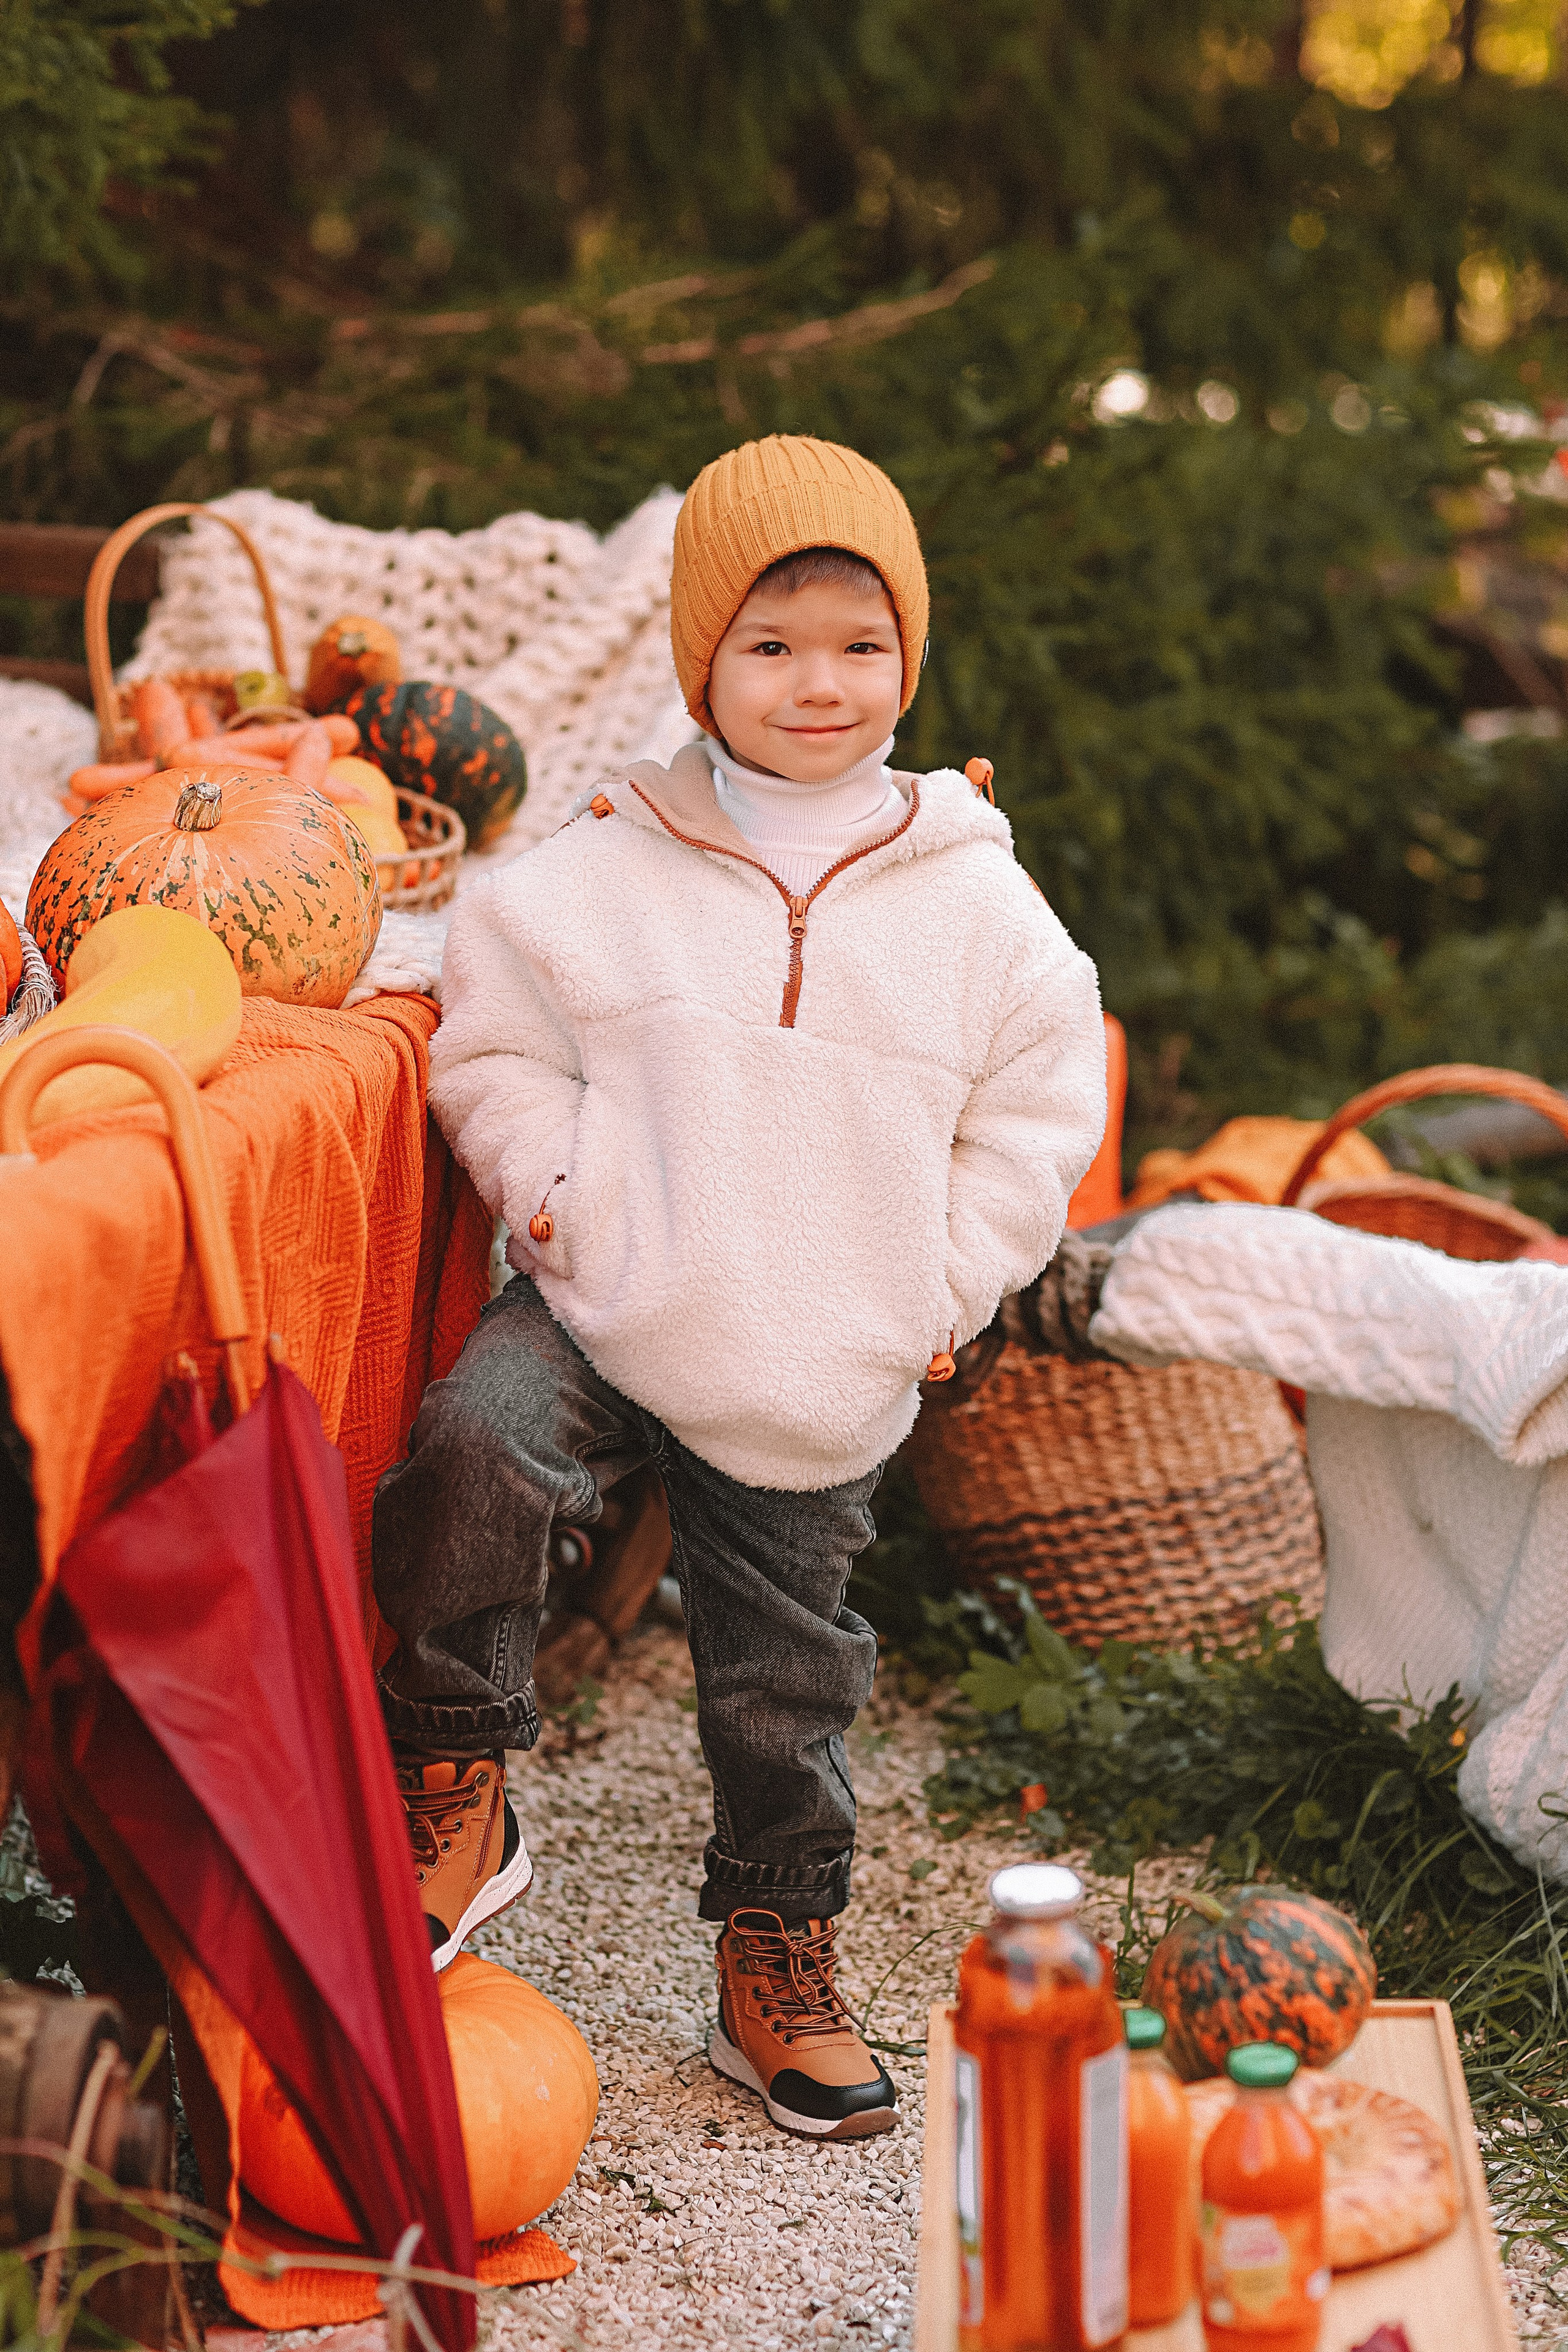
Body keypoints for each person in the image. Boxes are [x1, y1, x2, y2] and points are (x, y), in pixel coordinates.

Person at [372, 434, 1106, 2141]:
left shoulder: (978, 904)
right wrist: (558, 1198)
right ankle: (458, 1774)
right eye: (771, 645)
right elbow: (491, 1038)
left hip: (823, 1343)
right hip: (620, 1290)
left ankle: (777, 1947)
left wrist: (945, 1279)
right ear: (701, 657)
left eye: (861, 643)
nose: (819, 684)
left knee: (787, 1682)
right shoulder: (603, 868)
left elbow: (1037, 1116)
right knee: (476, 1443)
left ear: (910, 657)